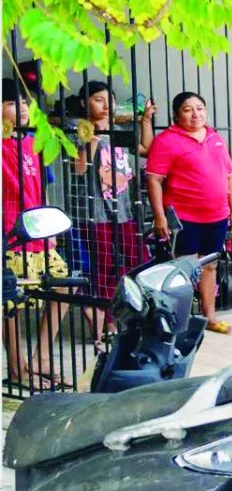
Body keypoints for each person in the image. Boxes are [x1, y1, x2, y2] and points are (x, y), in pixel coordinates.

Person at [146, 92, 232, 335]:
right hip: (185, 216)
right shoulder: (166, 141)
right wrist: (160, 217)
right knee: (184, 269)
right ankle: (181, 322)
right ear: (177, 115)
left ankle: (209, 317)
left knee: (210, 267)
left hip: (217, 215)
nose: (195, 114)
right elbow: (154, 180)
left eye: (200, 108)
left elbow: (229, 176)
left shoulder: (215, 138)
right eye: (188, 109)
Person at [2, 79, 69, 389]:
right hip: (9, 235)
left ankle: (41, 358)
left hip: (38, 234)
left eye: (26, 103)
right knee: (9, 302)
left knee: (63, 286)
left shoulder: (34, 142)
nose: (24, 109)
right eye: (14, 103)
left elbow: (42, 188)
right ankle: (16, 369)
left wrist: (48, 227)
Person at [71, 81, 147, 348]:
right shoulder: (77, 129)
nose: (106, 106)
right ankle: (102, 325)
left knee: (136, 258)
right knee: (101, 264)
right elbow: (78, 170)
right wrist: (93, 138)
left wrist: (146, 120)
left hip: (123, 208)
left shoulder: (119, 129)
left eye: (110, 100)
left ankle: (117, 315)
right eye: (99, 100)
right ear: (84, 103)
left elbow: (145, 150)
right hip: (94, 211)